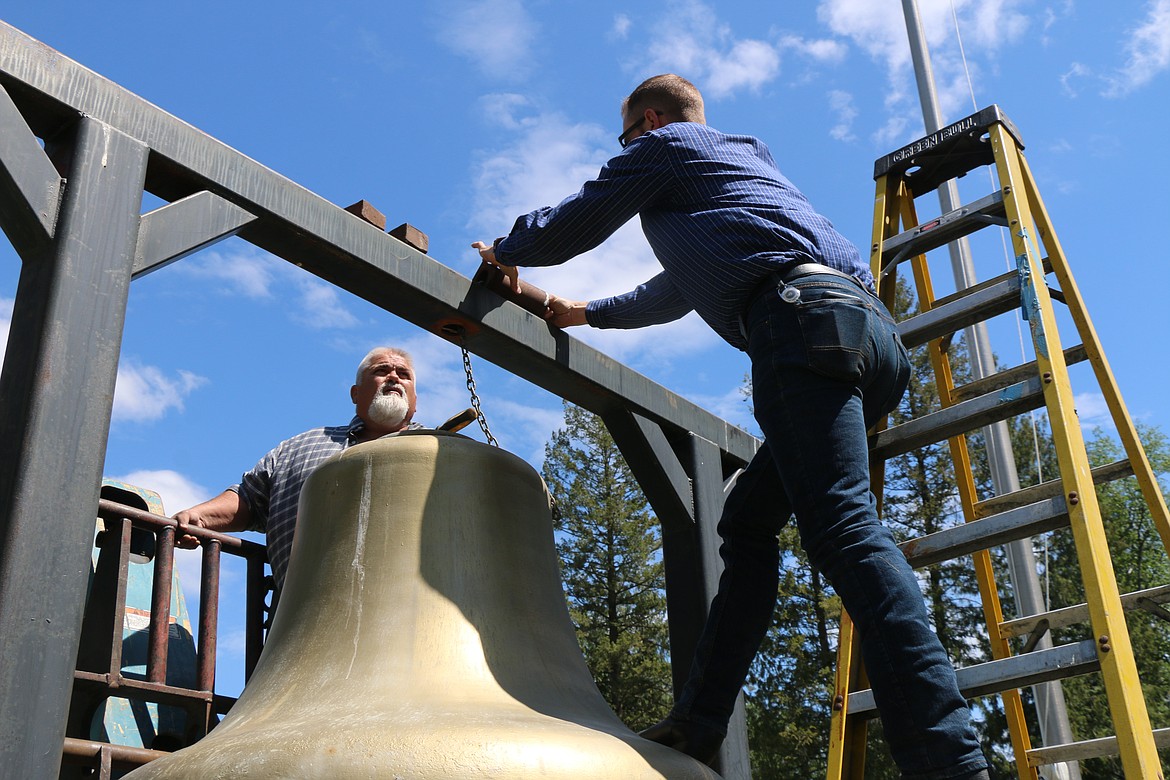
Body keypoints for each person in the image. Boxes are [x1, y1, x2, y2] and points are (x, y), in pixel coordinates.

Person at [473, 74, 989, 779]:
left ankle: (948, 761)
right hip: (870, 343)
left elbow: (576, 222)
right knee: (747, 524)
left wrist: (505, 250)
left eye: (626, 137)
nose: (625, 149)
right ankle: (698, 721)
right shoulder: (740, 165)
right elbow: (672, 291)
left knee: (843, 530)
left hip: (799, 323)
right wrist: (586, 314)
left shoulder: (664, 148)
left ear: (647, 121)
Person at [172, 347, 423, 596]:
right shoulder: (299, 448)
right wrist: (200, 517)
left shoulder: (441, 451)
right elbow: (250, 499)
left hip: (413, 617)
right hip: (304, 618)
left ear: (415, 401)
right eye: (381, 370)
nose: (394, 377)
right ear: (355, 394)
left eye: (404, 374)